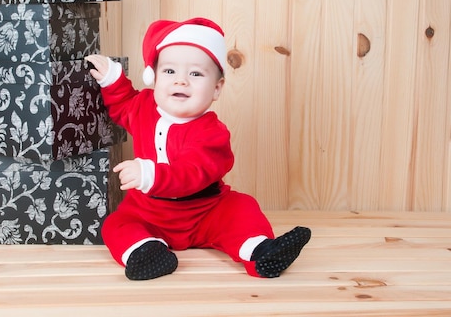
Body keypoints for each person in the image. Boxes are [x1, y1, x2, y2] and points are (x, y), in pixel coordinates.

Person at [85, 17, 311, 281]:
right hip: (150, 212)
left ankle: (260, 252)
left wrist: (150, 174)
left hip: (205, 212)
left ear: (216, 89)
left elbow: (192, 172)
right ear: (154, 78)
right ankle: (146, 250)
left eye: (195, 74)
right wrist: (113, 80)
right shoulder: (143, 107)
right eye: (169, 72)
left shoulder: (213, 133)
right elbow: (123, 104)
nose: (181, 81)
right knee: (116, 224)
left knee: (242, 208)